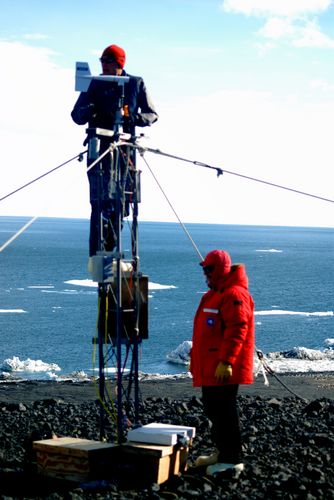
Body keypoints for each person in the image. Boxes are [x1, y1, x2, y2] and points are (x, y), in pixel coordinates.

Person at [71, 44, 158, 258]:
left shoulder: (135, 84)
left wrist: (130, 118)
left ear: (119, 64)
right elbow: (76, 115)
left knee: (121, 202)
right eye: (102, 61)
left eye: (108, 62)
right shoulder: (94, 84)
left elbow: (152, 114)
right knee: (98, 201)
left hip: (125, 153)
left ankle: (110, 248)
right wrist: (92, 109)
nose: (104, 66)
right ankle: (98, 254)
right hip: (99, 150)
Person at [190, 249, 255, 477]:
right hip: (212, 367)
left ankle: (231, 459)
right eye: (204, 269)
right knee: (214, 408)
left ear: (220, 270)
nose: (206, 274)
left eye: (209, 269)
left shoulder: (234, 294)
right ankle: (223, 451)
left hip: (223, 368)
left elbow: (238, 329)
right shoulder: (216, 294)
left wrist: (226, 361)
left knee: (224, 410)